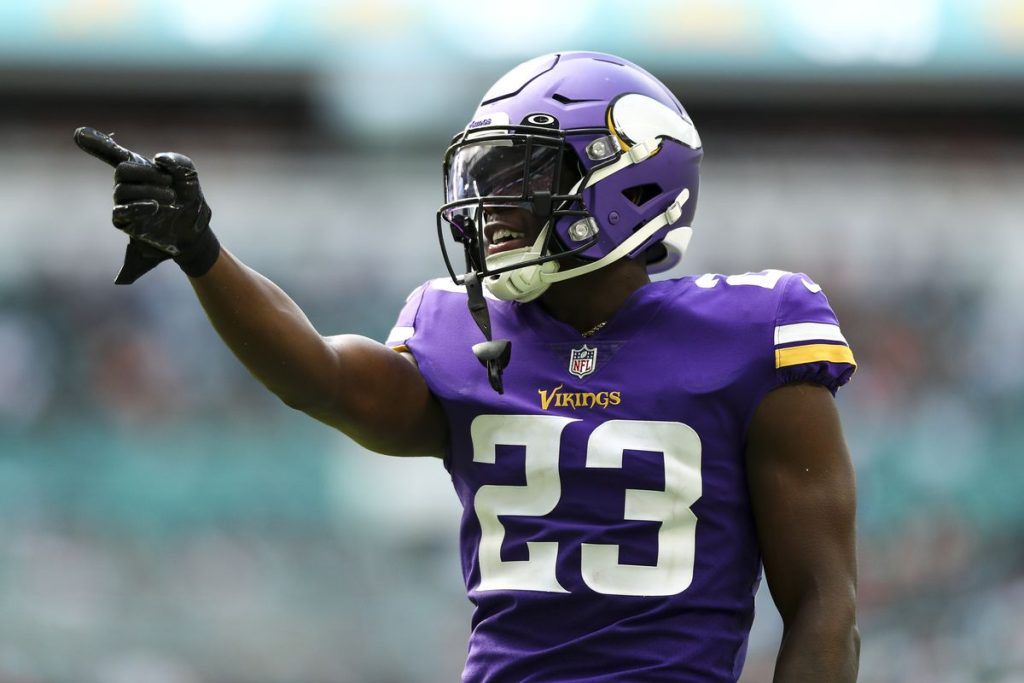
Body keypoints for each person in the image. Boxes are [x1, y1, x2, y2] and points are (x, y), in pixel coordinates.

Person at [76, 51, 859, 683]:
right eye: (488, 184)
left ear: (629, 182)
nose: (491, 210)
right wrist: (203, 253)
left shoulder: (758, 332)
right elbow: (317, 373)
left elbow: (825, 605)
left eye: (523, 182)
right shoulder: (460, 331)